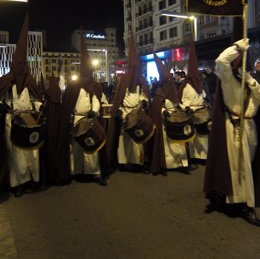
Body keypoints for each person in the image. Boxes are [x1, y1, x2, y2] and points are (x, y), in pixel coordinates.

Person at [204, 37, 260, 226]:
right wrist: (237, 47)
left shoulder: (250, 79)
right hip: (234, 127)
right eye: (239, 57)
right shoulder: (227, 78)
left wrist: (249, 78)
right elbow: (221, 61)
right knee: (239, 166)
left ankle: (237, 199)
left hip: (249, 127)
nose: (240, 59)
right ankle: (246, 205)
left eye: (244, 56)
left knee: (246, 166)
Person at [0, 13, 44, 197]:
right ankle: (17, 184)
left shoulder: (30, 81)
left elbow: (38, 98)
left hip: (30, 121)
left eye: (23, 64)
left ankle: (33, 180)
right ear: (12, 64)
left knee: (33, 153)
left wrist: (40, 106)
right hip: (13, 122)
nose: (20, 67)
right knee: (16, 155)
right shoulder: (5, 82)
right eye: (18, 63)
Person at [57, 32, 108, 186]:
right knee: (77, 149)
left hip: (90, 119)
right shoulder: (74, 86)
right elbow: (67, 103)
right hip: (77, 120)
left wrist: (95, 111)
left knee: (92, 146)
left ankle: (95, 173)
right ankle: (76, 172)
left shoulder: (95, 86)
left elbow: (98, 100)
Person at [106, 31, 153, 173]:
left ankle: (139, 162)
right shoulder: (124, 81)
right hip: (126, 112)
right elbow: (118, 98)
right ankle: (122, 162)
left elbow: (144, 95)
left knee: (138, 139)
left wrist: (144, 102)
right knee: (123, 139)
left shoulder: (141, 81)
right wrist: (119, 110)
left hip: (137, 113)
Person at [150, 54, 192, 175]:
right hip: (165, 123)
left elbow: (178, 102)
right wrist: (164, 112)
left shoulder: (174, 90)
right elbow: (157, 107)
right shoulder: (159, 93)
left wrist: (184, 107)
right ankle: (166, 165)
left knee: (179, 143)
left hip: (176, 120)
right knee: (167, 145)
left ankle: (181, 164)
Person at [176, 43, 211, 166]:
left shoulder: (200, 83)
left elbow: (205, 96)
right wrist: (186, 108)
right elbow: (182, 100)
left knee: (203, 136)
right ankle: (194, 156)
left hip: (201, 112)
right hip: (191, 113)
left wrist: (205, 101)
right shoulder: (185, 85)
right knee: (192, 137)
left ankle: (204, 156)